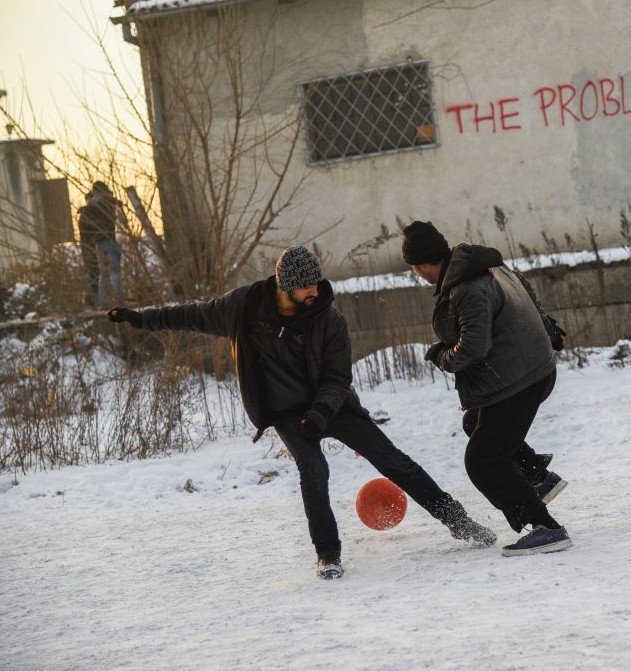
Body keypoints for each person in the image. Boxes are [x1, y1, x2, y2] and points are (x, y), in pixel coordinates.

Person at [107, 245, 495, 579]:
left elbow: (337, 377)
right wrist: (138, 318)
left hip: (333, 405)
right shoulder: (244, 308)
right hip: (286, 412)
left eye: (316, 283)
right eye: (306, 286)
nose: (315, 291)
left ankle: (459, 522)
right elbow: (189, 316)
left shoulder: (329, 319)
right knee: (314, 469)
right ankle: (328, 555)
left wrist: (321, 414)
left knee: (395, 461)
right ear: (285, 286)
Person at [402, 221, 572, 556]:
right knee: (475, 425)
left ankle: (545, 526)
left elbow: (473, 348)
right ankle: (537, 476)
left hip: (517, 380)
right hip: (529, 370)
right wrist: (547, 326)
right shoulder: (484, 264)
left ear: (420, 266)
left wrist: (440, 356)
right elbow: (527, 293)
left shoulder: (466, 286)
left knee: (482, 461)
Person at [80, 181, 124, 306]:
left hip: (98, 244)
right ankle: (120, 301)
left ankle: (103, 302)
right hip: (110, 240)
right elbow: (120, 219)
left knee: (103, 275)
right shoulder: (109, 203)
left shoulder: (90, 207)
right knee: (114, 273)